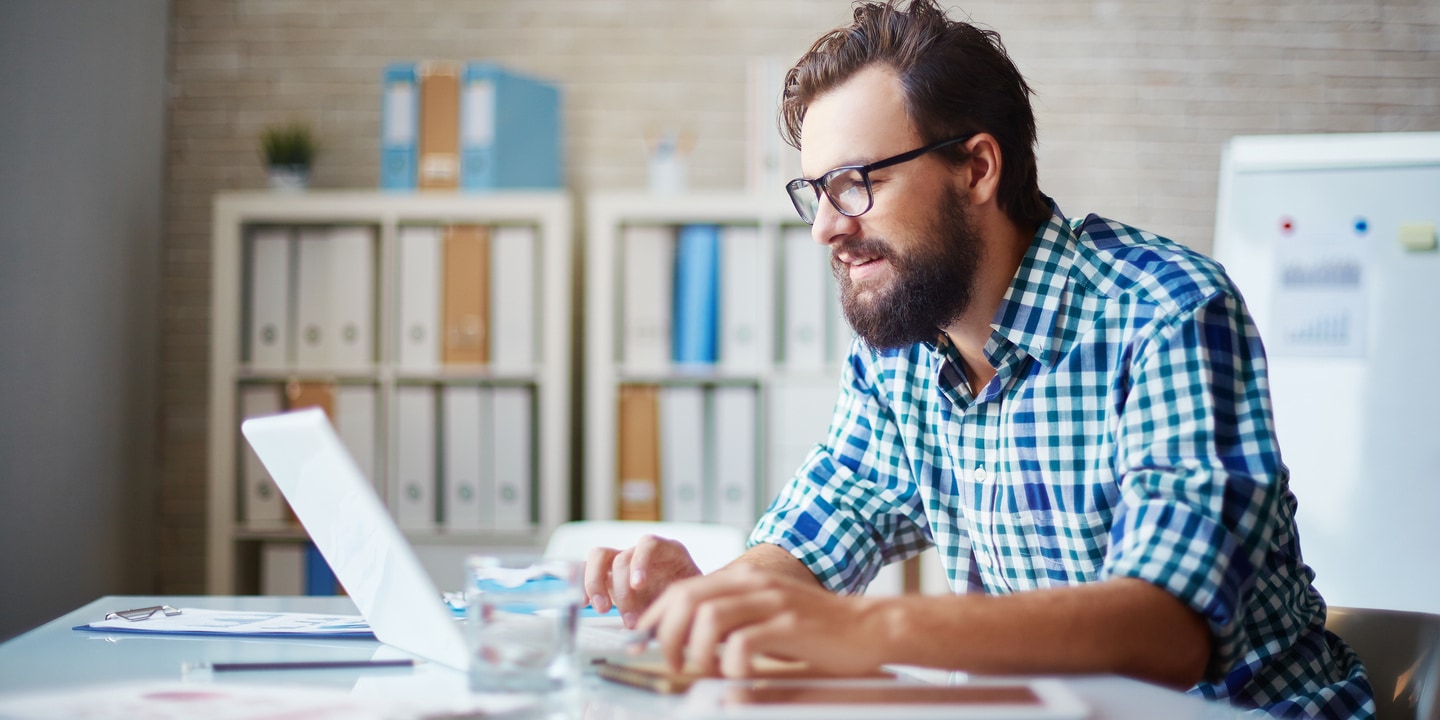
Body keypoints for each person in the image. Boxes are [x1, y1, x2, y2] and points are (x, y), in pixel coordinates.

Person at [584, 1, 1375, 716]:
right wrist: (714, 603)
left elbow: (1167, 632)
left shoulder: (1168, 311)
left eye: (856, 183)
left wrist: (867, 629)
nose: (826, 226)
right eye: (816, 191)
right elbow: (819, 536)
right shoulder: (904, 344)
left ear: (977, 169)